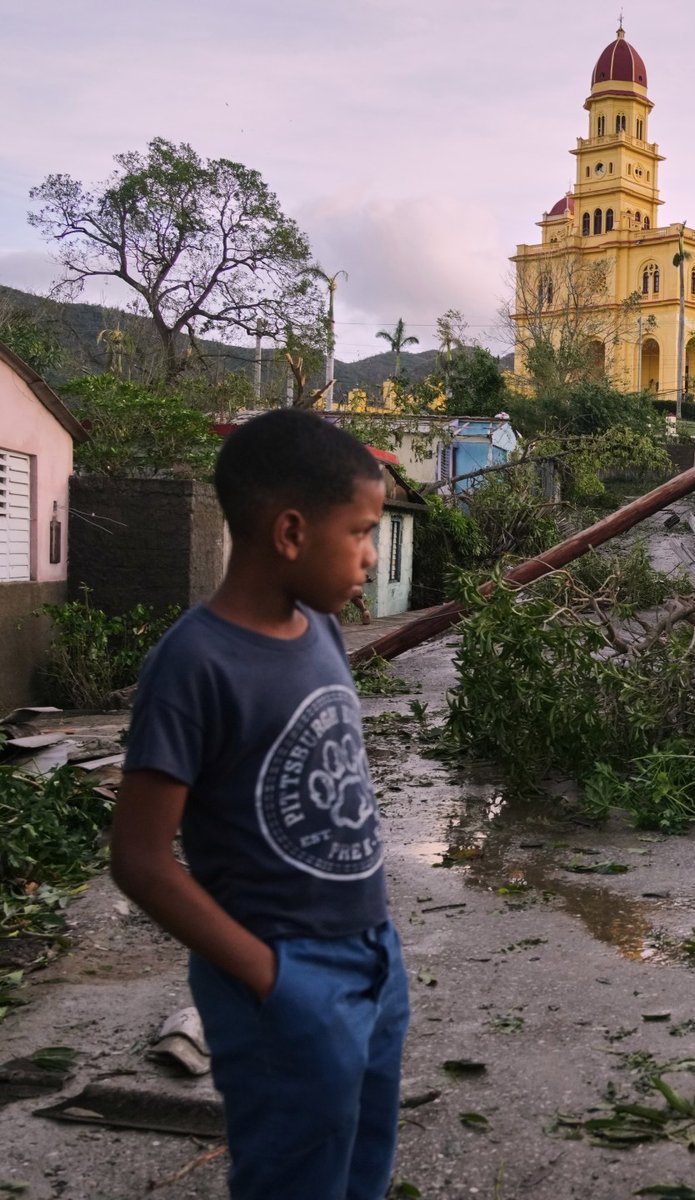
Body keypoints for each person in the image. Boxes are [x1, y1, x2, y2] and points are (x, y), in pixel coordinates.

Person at [111, 409, 409, 1198]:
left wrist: (376, 948)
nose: (371, 555)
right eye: (361, 532)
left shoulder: (321, 631)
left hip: (372, 955)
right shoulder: (193, 665)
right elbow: (139, 859)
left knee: (361, 1160)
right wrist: (273, 980)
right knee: (295, 1173)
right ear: (290, 533)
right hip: (281, 974)